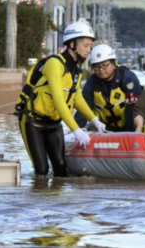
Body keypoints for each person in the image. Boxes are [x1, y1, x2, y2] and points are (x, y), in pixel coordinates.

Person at [16, 21, 106, 178]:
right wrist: (76, 130)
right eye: (85, 45)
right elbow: (59, 101)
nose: (88, 50)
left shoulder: (76, 71)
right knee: (42, 170)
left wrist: (94, 119)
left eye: (90, 46)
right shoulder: (54, 64)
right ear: (72, 44)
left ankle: (56, 201)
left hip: (54, 124)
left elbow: (76, 97)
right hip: (32, 122)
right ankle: (38, 198)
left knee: (61, 169)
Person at [79, 44, 142, 132]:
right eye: (96, 67)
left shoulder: (127, 78)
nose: (101, 70)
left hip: (128, 126)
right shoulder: (91, 82)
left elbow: (133, 109)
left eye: (104, 65)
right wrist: (77, 130)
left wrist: (129, 134)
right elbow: (83, 107)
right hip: (105, 128)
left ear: (114, 63)